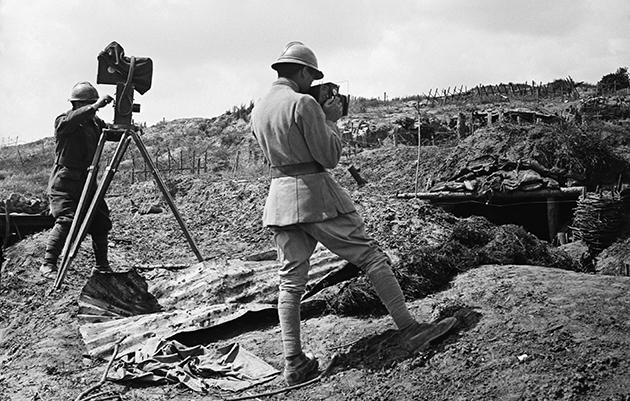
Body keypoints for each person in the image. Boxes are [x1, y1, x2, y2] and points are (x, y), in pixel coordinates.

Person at [251, 42, 457, 385]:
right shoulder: (303, 104)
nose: (314, 84)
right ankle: (410, 329)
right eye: (313, 76)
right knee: (372, 257)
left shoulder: (259, 108)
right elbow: (329, 157)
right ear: (303, 72)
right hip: (316, 196)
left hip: (280, 200)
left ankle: (293, 363)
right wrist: (330, 121)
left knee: (290, 282)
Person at [40, 82, 114, 279]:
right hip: (65, 182)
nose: (92, 108)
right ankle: (48, 263)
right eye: (88, 104)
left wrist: (127, 128)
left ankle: (102, 266)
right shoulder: (64, 120)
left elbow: (110, 132)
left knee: (100, 220)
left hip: (87, 181)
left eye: (93, 104)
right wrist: (95, 106)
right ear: (76, 105)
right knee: (66, 220)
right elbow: (71, 121)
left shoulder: (95, 123)